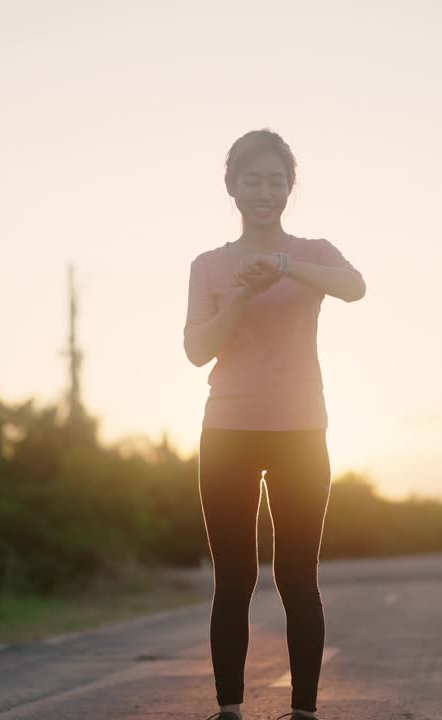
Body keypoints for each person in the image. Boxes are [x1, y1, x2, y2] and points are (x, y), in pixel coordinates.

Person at [183, 129, 366, 720]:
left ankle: (304, 712)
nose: (264, 190)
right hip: (227, 434)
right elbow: (196, 351)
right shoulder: (209, 265)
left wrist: (286, 267)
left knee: (296, 576)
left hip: (302, 434)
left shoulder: (314, 253)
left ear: (290, 188)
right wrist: (241, 293)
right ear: (231, 187)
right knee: (233, 579)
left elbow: (355, 288)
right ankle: (230, 711)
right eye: (252, 179)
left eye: (275, 180)